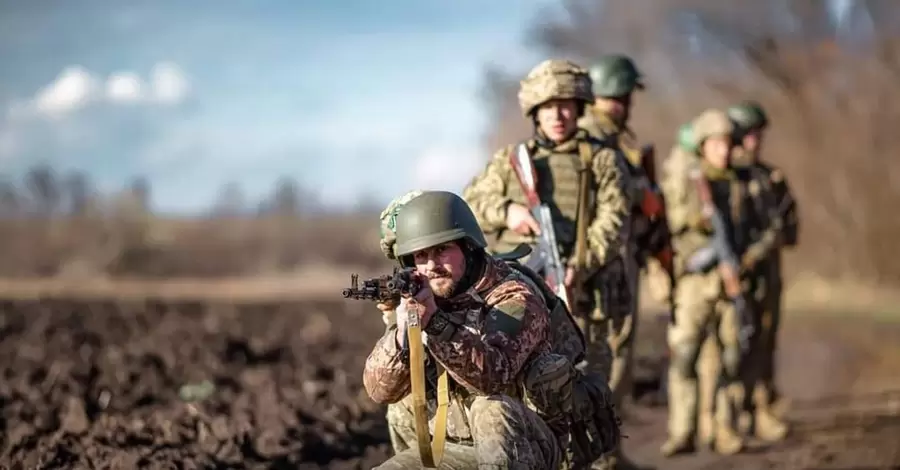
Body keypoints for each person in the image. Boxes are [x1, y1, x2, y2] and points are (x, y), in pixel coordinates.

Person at [366, 190, 620, 469]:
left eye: (442, 250)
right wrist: (403, 334)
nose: (431, 266)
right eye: (421, 255)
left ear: (467, 246)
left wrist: (437, 324)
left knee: (492, 410)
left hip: (528, 445)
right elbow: (379, 391)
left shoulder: (514, 296)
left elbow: (493, 376)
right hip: (455, 445)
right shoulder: (424, 296)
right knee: (400, 404)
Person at [462, 58, 632, 393]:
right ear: (535, 112)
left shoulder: (602, 160)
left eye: (566, 106)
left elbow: (614, 222)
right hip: (521, 294)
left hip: (583, 291)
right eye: (549, 107)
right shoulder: (510, 161)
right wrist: (507, 211)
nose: (557, 116)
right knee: (520, 385)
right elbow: (471, 204)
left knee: (588, 387)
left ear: (579, 108)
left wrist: (579, 266)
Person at [577, 54, 670, 469]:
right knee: (606, 356)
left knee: (617, 355)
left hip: (619, 256)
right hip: (604, 261)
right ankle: (599, 456)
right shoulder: (594, 136)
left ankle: (608, 450)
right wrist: (640, 192)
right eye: (626, 93)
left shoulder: (616, 137)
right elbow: (604, 190)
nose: (629, 101)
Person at [658, 109, 768, 457]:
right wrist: (695, 223)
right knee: (685, 355)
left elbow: (756, 229)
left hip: (731, 280)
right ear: (703, 145)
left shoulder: (739, 183)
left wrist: (743, 261)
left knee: (730, 356)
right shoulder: (686, 179)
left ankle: (724, 429)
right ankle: (682, 431)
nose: (723, 150)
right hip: (694, 281)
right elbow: (669, 225)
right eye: (716, 143)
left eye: (727, 143)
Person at [728, 101, 799, 440]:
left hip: (765, 273)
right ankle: (734, 413)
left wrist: (764, 245)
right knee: (735, 343)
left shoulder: (771, 178)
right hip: (734, 274)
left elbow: (788, 229)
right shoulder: (724, 178)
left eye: (759, 134)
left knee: (765, 341)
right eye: (750, 133)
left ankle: (761, 408)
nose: (756, 140)